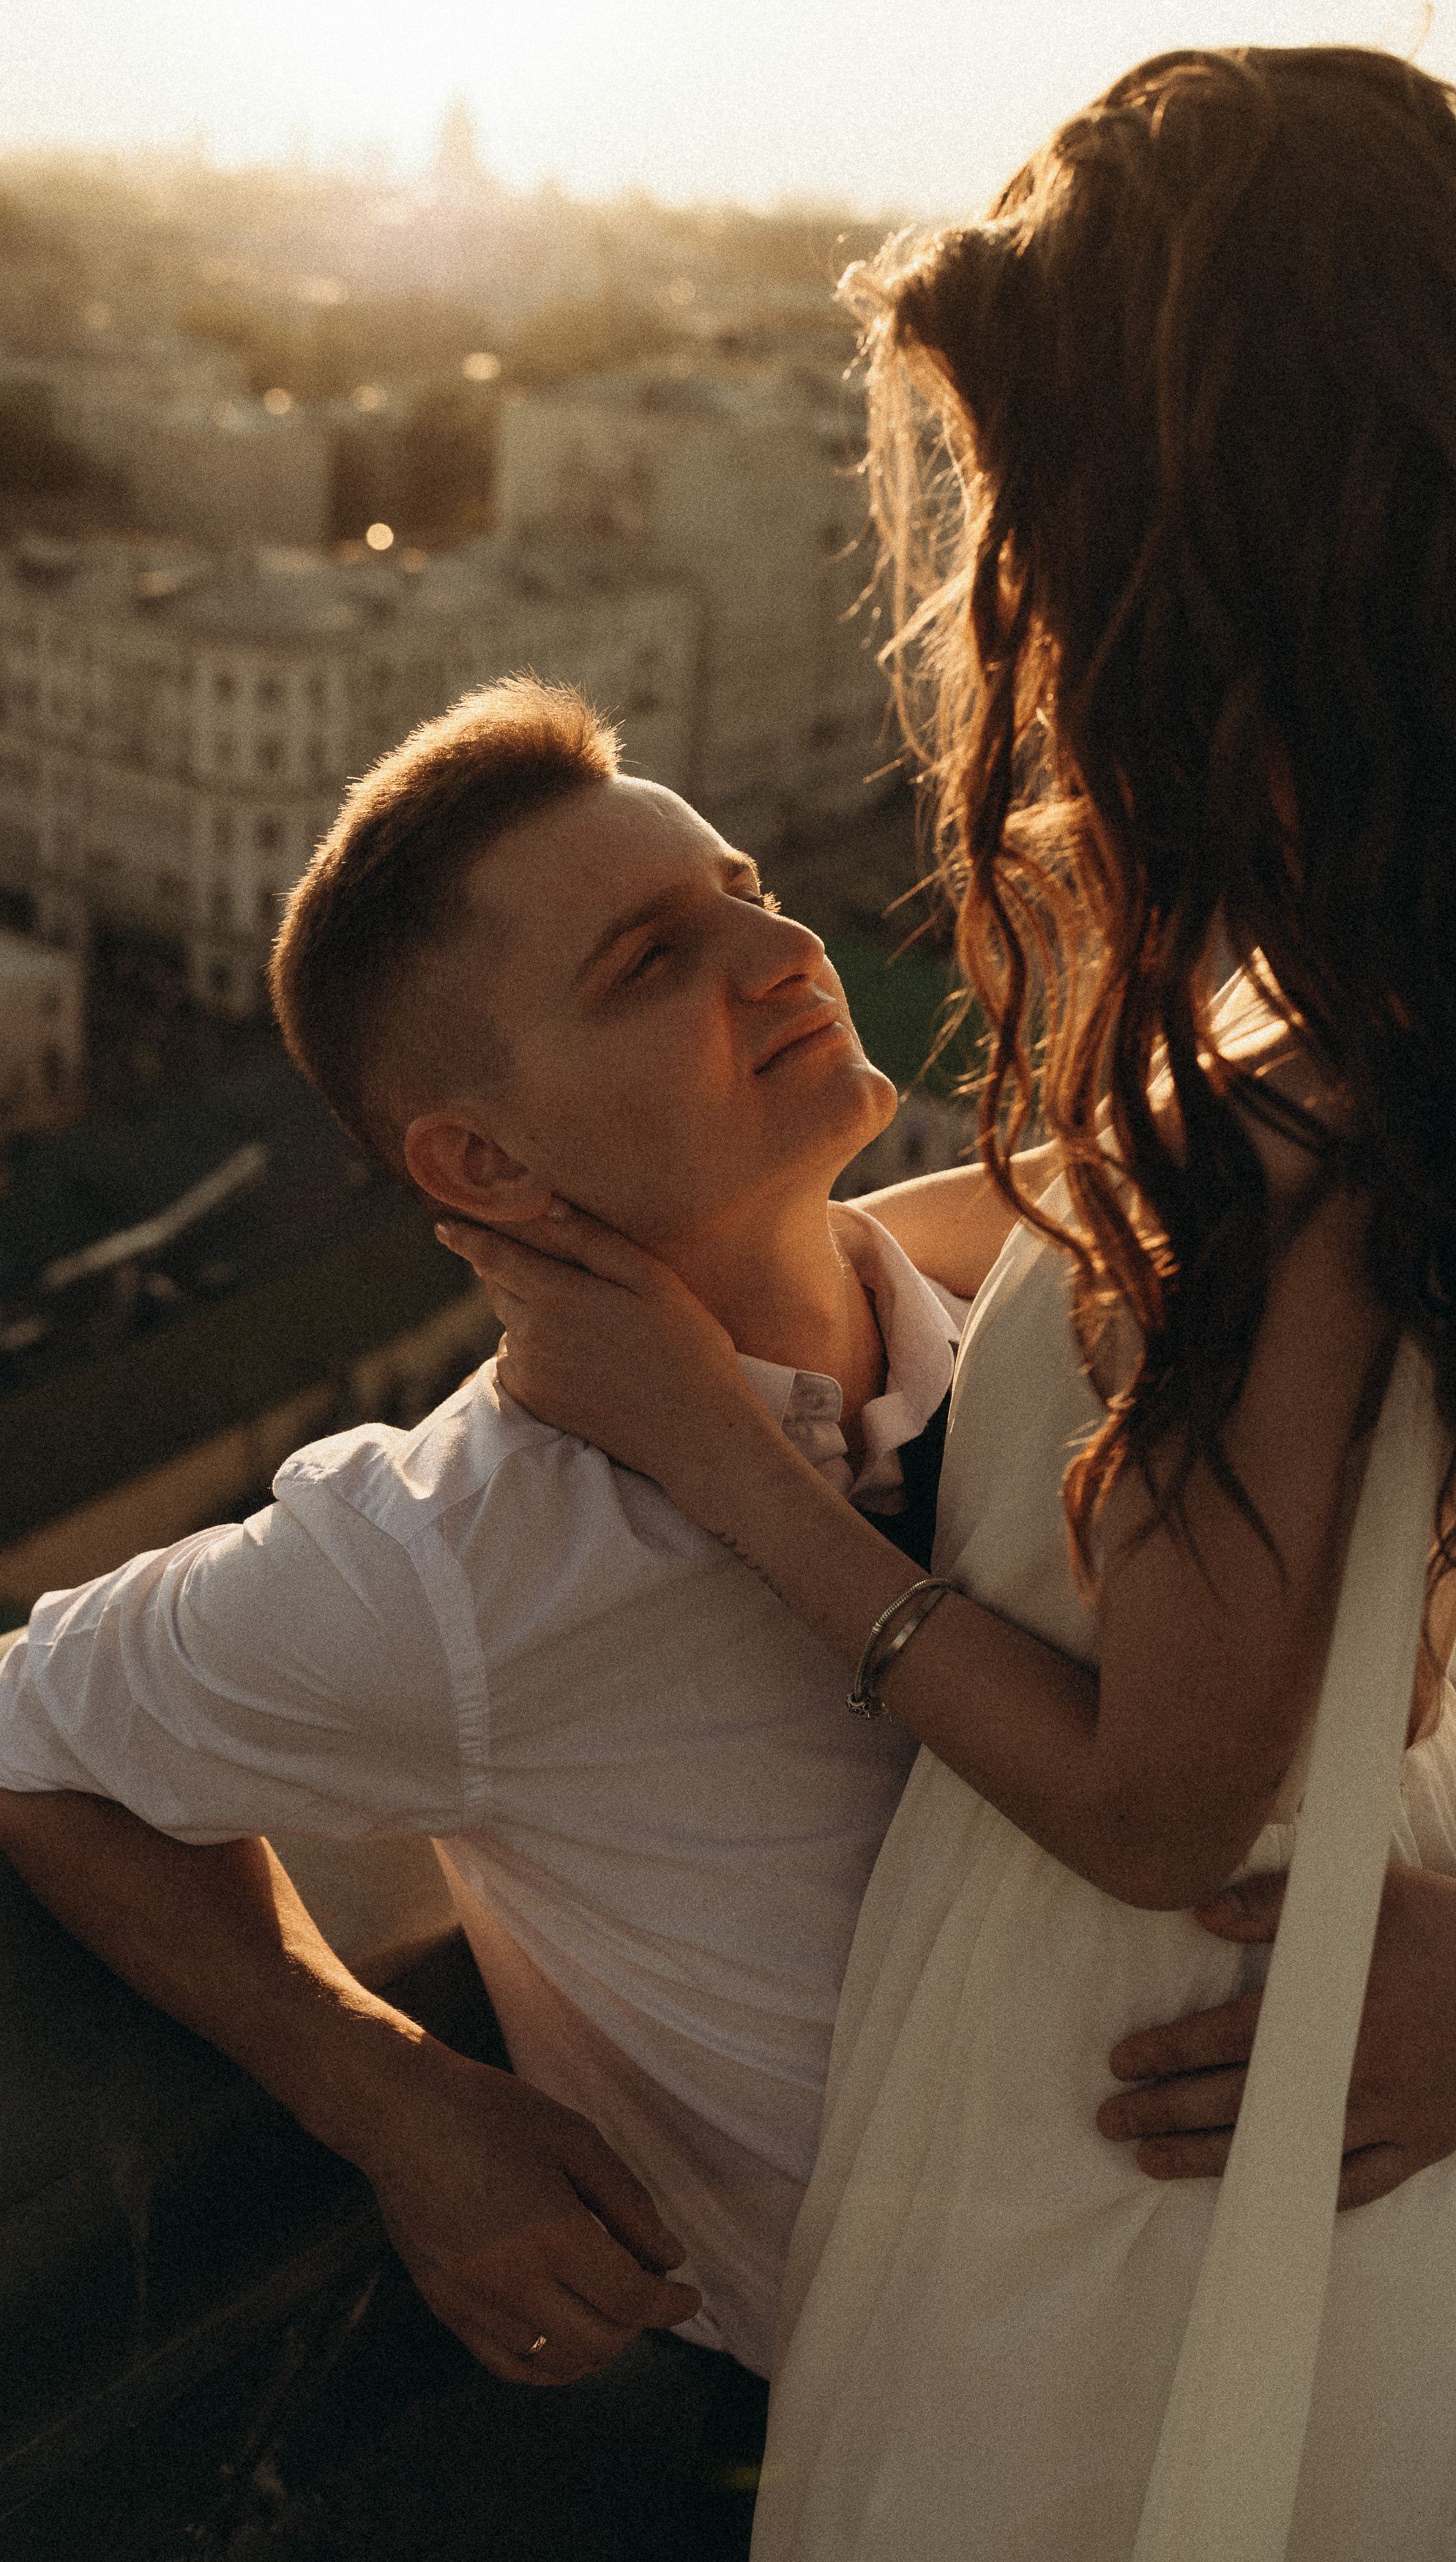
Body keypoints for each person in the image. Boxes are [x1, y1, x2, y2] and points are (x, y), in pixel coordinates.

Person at [0, 675, 1398, 2465]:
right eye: (653, 957)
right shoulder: (463, 1556)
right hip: (947, 2441)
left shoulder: (1029, 1304)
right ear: (481, 1162)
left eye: (744, 884)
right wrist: (394, 2094)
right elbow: (41, 1741)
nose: (782, 942)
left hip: (1342, 2340)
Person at [437, 48, 1456, 2562]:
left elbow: (1149, 1804)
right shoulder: (1358, 1031)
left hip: (1133, 2129)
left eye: (1042, 515)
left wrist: (712, 1449)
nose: (1012, 588)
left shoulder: (1302, 1117)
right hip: (1269, 2077)